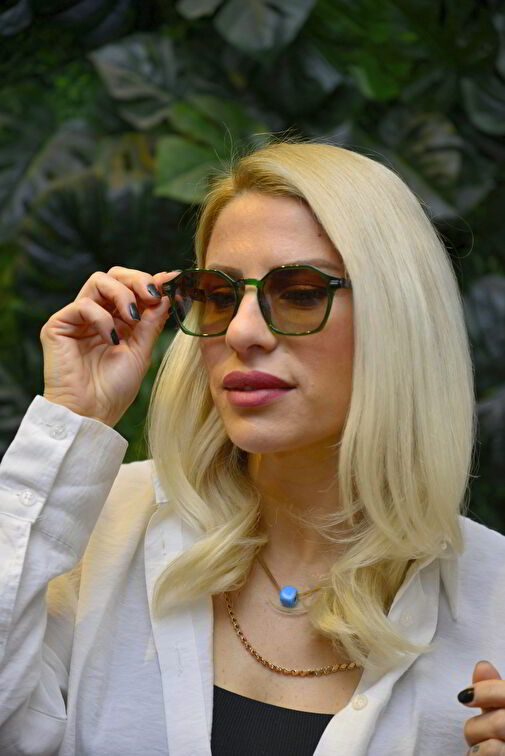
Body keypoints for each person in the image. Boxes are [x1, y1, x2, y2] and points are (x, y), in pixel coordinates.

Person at [0, 140, 504, 756]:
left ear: (397, 317)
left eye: (301, 292)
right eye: (218, 295)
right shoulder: (104, 525)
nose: (241, 331)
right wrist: (73, 419)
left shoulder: (493, 605)